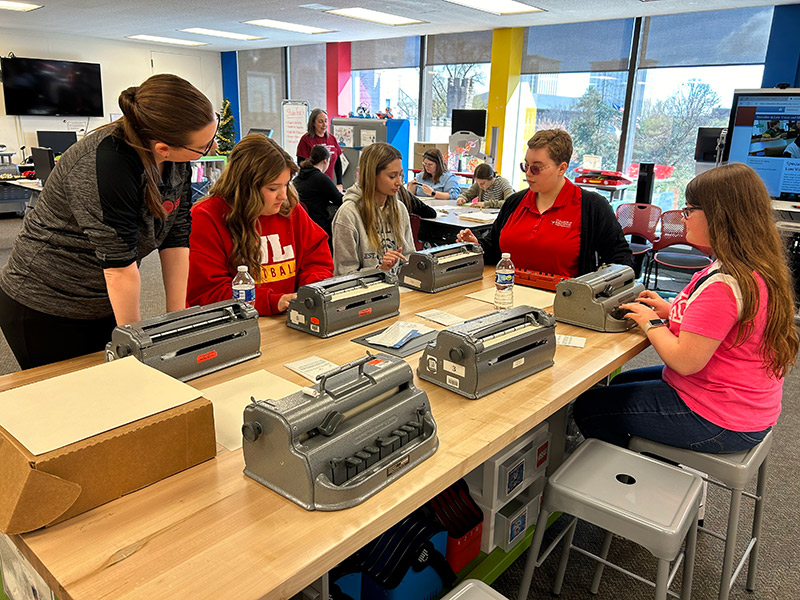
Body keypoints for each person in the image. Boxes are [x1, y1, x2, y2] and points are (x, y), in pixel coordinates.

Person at [573, 163, 798, 453]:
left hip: (720, 419)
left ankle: (631, 476)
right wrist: (669, 311)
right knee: (623, 381)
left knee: (590, 406)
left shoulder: (725, 286)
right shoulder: (752, 267)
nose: (683, 218)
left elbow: (684, 361)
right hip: (745, 405)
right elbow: (716, 324)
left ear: (720, 216)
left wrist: (650, 322)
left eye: (689, 210)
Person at [0, 74, 216, 370]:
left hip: (104, 298)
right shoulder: (107, 163)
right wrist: (137, 345)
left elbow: (176, 238)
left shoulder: (177, 162)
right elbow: (119, 268)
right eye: (204, 146)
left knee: (115, 390)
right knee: (77, 401)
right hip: (46, 304)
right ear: (163, 147)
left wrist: (175, 324)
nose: (212, 148)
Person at [187, 134, 333, 316]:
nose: (284, 196)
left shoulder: (289, 208)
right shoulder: (206, 217)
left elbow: (317, 260)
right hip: (235, 327)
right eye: (273, 188)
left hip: (287, 321)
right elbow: (208, 293)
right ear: (246, 187)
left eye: (286, 184)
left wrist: (309, 291)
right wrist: (271, 301)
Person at [456, 129, 632, 277]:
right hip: (507, 294)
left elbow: (621, 260)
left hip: (563, 304)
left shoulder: (591, 206)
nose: (528, 174)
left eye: (536, 167)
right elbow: (495, 248)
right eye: (526, 166)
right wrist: (478, 245)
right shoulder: (515, 202)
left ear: (561, 168)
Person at [331, 142, 415, 275]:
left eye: (401, 175)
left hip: (398, 290)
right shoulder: (348, 214)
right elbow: (344, 273)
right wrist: (379, 271)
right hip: (364, 293)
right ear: (371, 176)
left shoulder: (399, 209)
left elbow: (409, 258)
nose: (399, 182)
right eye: (392, 176)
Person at [293, 144, 343, 243]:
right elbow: (340, 200)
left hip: (302, 225)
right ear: (325, 161)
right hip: (319, 225)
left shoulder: (299, 177)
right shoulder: (320, 178)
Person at [296, 108, 343, 191]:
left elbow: (338, 162)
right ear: (313, 123)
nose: (324, 125)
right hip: (312, 185)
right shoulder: (305, 140)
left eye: (325, 121)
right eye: (320, 122)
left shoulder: (332, 139)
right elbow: (301, 164)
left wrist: (339, 183)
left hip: (329, 183)